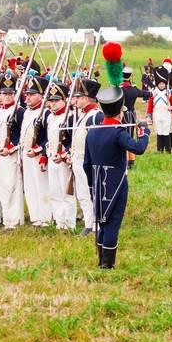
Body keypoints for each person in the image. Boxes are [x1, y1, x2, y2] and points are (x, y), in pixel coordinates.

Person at [84, 83, 151, 269]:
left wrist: (91, 186)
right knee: (112, 224)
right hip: (116, 183)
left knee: (102, 222)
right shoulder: (118, 133)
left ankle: (101, 260)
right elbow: (139, 148)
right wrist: (144, 133)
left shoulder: (92, 132)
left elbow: (86, 164)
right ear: (119, 112)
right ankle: (107, 264)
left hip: (97, 183)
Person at [69, 75, 104, 235]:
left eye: (80, 97)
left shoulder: (96, 115)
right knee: (82, 193)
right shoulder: (82, 115)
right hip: (77, 159)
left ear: (88, 98)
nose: (76, 100)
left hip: (88, 160)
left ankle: (96, 224)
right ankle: (88, 222)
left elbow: (97, 141)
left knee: (92, 192)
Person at [40, 81, 76, 230]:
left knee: (66, 193)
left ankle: (69, 223)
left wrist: (64, 154)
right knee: (54, 192)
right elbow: (48, 139)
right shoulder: (50, 117)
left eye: (57, 100)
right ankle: (59, 221)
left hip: (63, 160)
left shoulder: (70, 117)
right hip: (51, 157)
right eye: (51, 100)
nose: (53, 103)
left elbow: (72, 141)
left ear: (65, 100)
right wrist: (44, 156)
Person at [0, 71, 25, 230]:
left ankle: (14, 219)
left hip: (12, 153)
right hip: (0, 152)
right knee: (3, 186)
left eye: (10, 93)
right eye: (4, 94)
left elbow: (20, 133)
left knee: (13, 185)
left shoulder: (19, 111)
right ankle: (7, 218)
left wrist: (10, 148)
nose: (7, 96)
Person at [20, 75, 52, 226]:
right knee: (30, 186)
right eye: (28, 94)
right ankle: (36, 216)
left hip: (38, 154)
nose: (28, 97)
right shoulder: (27, 112)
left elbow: (49, 138)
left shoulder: (45, 113)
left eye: (32, 94)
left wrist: (40, 150)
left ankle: (46, 217)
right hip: (26, 153)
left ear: (41, 96)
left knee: (42, 186)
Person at [146, 60, 172, 152]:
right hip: (157, 113)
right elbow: (150, 105)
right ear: (157, 83)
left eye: (163, 83)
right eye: (160, 83)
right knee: (159, 132)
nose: (162, 85)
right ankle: (159, 150)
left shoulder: (169, 92)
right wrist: (149, 116)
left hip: (166, 114)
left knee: (166, 132)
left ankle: (168, 150)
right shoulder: (154, 93)